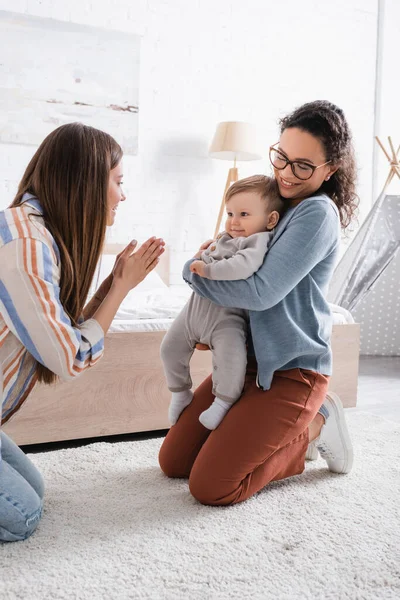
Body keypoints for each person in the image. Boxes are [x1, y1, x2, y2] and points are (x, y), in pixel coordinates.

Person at [159, 100, 358, 506]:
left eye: (302, 165)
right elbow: (219, 257)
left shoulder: (317, 212)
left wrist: (189, 274)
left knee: (212, 487)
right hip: (244, 364)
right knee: (174, 462)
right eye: (282, 157)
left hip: (291, 372)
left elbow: (260, 292)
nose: (286, 172)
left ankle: (316, 426)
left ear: (330, 170)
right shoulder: (271, 204)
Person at [0, 122, 165, 541]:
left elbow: (65, 334)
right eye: (118, 181)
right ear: (87, 180)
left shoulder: (40, 234)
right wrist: (121, 289)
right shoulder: (27, 246)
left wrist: (112, 284)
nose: (123, 195)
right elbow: (68, 356)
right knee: (21, 515)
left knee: (33, 491)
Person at [161, 175, 284, 430]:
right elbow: (204, 257)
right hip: (193, 310)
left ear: (270, 219)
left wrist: (208, 272)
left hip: (226, 317)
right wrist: (202, 256)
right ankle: (180, 391)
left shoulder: (258, 242)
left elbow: (242, 266)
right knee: (169, 349)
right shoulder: (223, 237)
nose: (234, 221)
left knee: (231, 361)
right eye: (230, 213)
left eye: (243, 214)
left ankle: (223, 402)